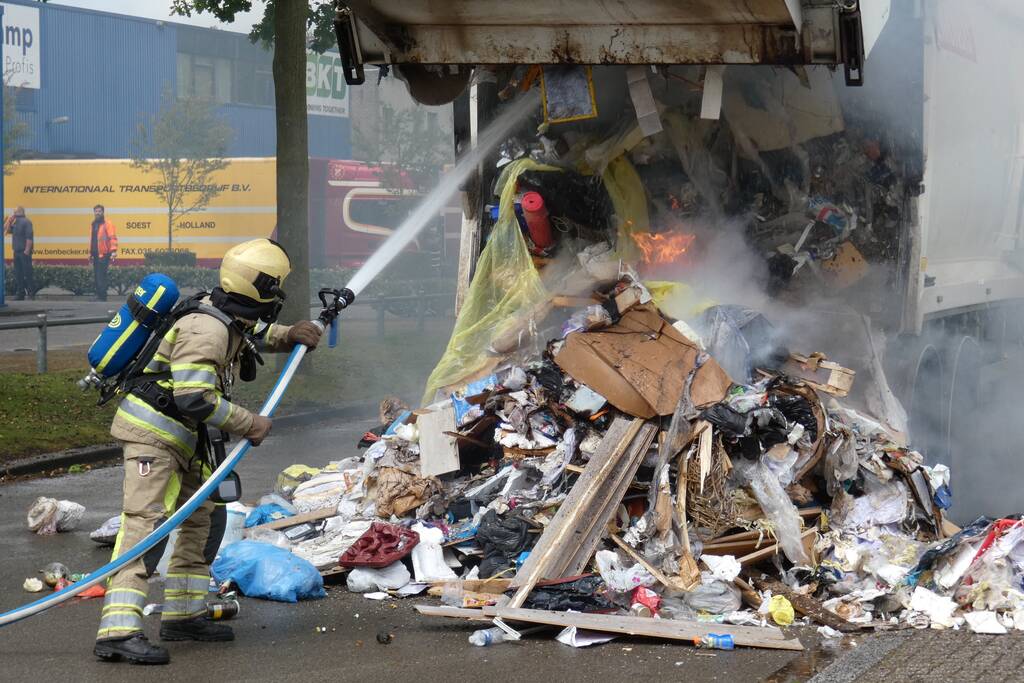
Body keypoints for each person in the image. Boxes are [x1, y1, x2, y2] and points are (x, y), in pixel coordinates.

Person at [93, 238, 323, 665]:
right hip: (155, 436)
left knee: (205, 518)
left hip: (186, 439)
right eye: (276, 287)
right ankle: (118, 631)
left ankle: (183, 614)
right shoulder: (207, 328)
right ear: (262, 286)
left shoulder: (223, 311)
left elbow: (248, 333)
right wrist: (250, 423)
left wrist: (288, 334)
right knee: (145, 526)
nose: (278, 296)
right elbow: (194, 398)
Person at [4, 207, 35, 300]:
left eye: (14, 212)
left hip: (24, 252)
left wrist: (27, 250)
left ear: (20, 212)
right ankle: (20, 293)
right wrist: (9, 221)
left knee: (27, 272)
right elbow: (6, 230)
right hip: (16, 251)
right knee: (18, 273)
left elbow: (29, 237)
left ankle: (31, 293)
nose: (13, 213)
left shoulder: (26, 222)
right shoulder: (15, 223)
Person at [90, 204, 118, 301]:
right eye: (96, 211)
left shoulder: (107, 224)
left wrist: (113, 251)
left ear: (103, 212)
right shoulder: (93, 224)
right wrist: (90, 253)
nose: (97, 213)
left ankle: (102, 296)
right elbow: (93, 240)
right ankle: (99, 295)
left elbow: (112, 237)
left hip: (104, 254)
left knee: (101, 275)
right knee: (97, 275)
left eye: (99, 211)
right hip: (95, 254)